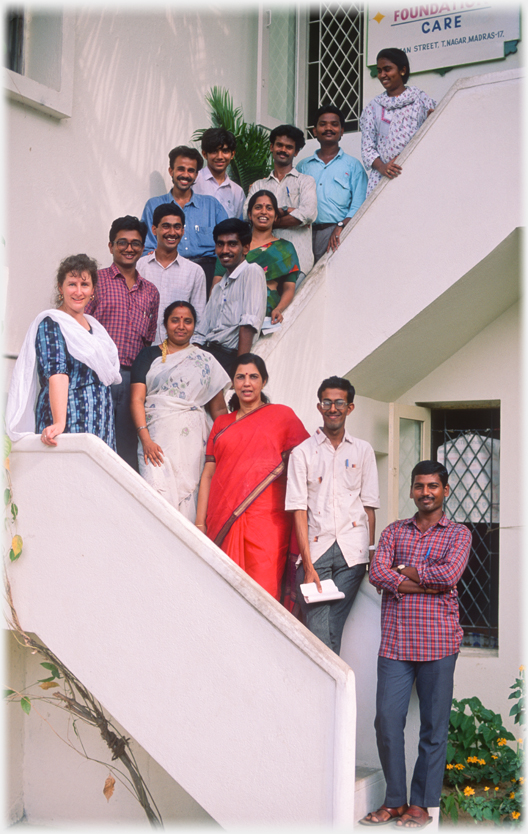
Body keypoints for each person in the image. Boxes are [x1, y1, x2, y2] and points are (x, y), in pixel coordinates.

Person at [361, 461, 471, 828]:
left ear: (445, 490)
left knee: (433, 728)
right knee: (387, 721)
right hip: (395, 644)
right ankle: (394, 801)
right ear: (411, 490)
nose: (426, 492)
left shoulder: (458, 534)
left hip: (439, 644)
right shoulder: (394, 531)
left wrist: (406, 571)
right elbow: (377, 572)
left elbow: (450, 575)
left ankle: (421, 805)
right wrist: (426, 580)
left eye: (433, 486)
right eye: (420, 486)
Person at [195, 354, 309, 600]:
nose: (246, 383)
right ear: (233, 383)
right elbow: (208, 474)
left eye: (253, 377)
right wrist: (200, 522)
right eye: (240, 377)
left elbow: (307, 462)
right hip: (222, 516)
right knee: (224, 591)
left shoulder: (282, 417)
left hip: (267, 520)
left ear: (264, 381)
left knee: (264, 591)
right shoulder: (221, 423)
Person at [285, 376, 379, 655]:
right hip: (317, 549)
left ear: (350, 408)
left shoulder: (363, 450)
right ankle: (332, 694)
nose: (333, 408)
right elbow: (298, 510)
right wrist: (309, 566)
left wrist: (371, 554)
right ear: (319, 406)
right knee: (320, 628)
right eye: (327, 402)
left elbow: (369, 506)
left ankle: (328, 695)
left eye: (339, 402)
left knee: (330, 627)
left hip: (353, 552)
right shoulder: (303, 453)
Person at [6, 254, 121, 450]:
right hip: (70, 423)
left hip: (101, 424)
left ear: (93, 289)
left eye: (84, 284)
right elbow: (57, 374)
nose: (78, 291)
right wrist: (59, 423)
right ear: (61, 287)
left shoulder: (96, 329)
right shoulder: (52, 323)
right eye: (71, 284)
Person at [130, 301, 229, 521]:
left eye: (188, 321)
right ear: (165, 324)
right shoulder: (149, 356)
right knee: (155, 494)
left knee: (190, 498)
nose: (181, 326)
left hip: (192, 444)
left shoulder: (206, 361)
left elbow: (219, 408)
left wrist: (227, 441)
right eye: (175, 320)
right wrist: (145, 439)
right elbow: (137, 400)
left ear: (195, 325)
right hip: (155, 440)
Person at [85, 215, 159, 471]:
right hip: (97, 375)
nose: (129, 248)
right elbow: (80, 328)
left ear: (143, 247)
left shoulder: (151, 291)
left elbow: (148, 339)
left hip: (131, 380)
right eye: (122, 242)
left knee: (127, 446)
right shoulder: (94, 281)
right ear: (111, 246)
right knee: (96, 439)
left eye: (136, 243)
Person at [141, 145, 227, 294]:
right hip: (167, 270)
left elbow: (228, 242)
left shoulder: (212, 205)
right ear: (171, 171)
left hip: (208, 272)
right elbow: (146, 247)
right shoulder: (153, 206)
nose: (185, 175)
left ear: (196, 175)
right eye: (181, 169)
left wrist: (218, 278)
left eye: (191, 170)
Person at [212, 190, 300, 325]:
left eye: (269, 208)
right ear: (249, 214)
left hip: (265, 314)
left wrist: (279, 309)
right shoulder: (232, 246)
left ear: (276, 216)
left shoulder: (285, 249)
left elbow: (289, 287)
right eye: (258, 207)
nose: (263, 212)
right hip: (231, 312)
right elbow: (217, 285)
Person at [192, 219, 267, 373]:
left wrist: (239, 370)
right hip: (207, 355)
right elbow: (200, 333)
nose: (225, 250)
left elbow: (248, 324)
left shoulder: (252, 272)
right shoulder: (219, 286)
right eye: (220, 244)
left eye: (232, 244)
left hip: (229, 357)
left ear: (245, 248)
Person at [360, 48, 436, 197]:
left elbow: (433, 134)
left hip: (417, 173)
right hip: (384, 178)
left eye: (387, 69)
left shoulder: (421, 100)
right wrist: (382, 167)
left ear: (402, 70)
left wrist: (433, 120)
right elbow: (367, 148)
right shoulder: (373, 107)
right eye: (379, 71)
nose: (382, 75)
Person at [297, 105, 367, 263]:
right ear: (314, 131)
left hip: (336, 233)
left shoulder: (353, 166)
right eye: (323, 124)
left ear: (342, 131)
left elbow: (359, 204)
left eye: (334, 124)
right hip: (303, 233)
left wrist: (341, 225)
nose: (328, 128)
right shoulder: (302, 166)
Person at [244, 125, 317, 277]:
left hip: (297, 261)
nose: (283, 150)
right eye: (279, 145)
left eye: (289, 147)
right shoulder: (259, 185)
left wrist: (269, 219)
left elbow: (309, 213)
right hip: (261, 263)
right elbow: (246, 214)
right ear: (271, 147)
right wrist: (290, 210)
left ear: (296, 152)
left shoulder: (305, 182)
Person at [136, 202, 206, 344]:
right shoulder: (139, 267)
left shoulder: (195, 272)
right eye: (166, 226)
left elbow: (199, 319)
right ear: (154, 229)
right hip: (143, 350)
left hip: (180, 352)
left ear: (183, 231)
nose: (172, 233)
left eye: (177, 227)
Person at [193, 127, 245, 220]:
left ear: (232, 154)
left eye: (225, 151)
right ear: (204, 154)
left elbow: (239, 227)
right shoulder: (193, 181)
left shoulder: (238, 192)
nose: (220, 157)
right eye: (214, 151)